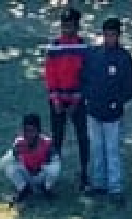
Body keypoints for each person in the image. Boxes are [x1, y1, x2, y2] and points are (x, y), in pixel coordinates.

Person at [80, 17, 132, 200]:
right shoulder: (93, 54)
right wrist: (88, 97)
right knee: (97, 148)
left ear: (119, 36)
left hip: (113, 113)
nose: (109, 38)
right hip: (94, 110)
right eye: (106, 34)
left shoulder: (124, 58)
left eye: (113, 35)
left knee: (112, 150)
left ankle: (115, 186)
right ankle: (99, 183)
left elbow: (131, 87)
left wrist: (118, 101)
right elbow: (84, 78)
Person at [42, 7, 91, 193]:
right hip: (58, 99)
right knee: (57, 138)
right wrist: (54, 97)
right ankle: (52, 176)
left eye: (70, 26)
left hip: (78, 99)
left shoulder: (83, 47)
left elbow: (87, 74)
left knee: (82, 137)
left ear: (77, 26)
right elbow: (50, 73)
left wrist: (78, 97)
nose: (66, 29)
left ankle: (85, 174)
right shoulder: (54, 46)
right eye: (64, 25)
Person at [0, 113, 61, 202]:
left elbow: (56, 161)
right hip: (27, 174)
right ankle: (23, 188)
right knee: (9, 165)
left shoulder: (47, 143)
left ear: (38, 131)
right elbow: (2, 163)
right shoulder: (19, 142)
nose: (28, 134)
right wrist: (14, 153)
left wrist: (46, 159)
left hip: (41, 175)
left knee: (55, 167)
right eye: (26, 131)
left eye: (32, 131)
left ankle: (46, 187)